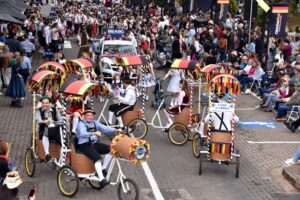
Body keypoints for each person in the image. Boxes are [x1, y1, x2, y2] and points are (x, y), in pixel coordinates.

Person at [76, 109, 120, 188]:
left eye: (91, 115)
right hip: (85, 145)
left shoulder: (95, 122)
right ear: (84, 116)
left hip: (95, 143)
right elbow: (82, 134)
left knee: (111, 149)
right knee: (98, 158)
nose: (90, 117)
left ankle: (103, 168)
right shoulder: (81, 124)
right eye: (88, 115)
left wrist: (116, 130)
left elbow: (105, 128)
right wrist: (93, 133)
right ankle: (102, 179)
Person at [35, 96, 63, 162]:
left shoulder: (55, 110)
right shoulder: (39, 111)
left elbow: (61, 121)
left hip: (55, 131)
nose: (44, 104)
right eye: (43, 103)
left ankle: (62, 153)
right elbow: (39, 120)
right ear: (41, 104)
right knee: (46, 132)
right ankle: (47, 154)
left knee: (61, 137)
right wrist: (44, 121)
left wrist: (54, 122)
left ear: (50, 104)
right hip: (44, 130)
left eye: (46, 103)